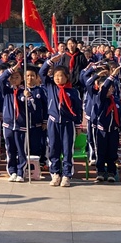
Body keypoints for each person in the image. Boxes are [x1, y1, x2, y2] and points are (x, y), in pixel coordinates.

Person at [40, 54, 83, 187]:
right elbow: (42, 73)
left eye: (61, 76)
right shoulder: (51, 87)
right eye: (56, 76)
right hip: (53, 122)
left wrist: (78, 124)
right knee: (53, 149)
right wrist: (50, 62)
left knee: (67, 150)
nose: (58, 78)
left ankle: (66, 175)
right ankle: (55, 174)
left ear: (67, 77)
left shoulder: (73, 92)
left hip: (67, 124)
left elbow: (77, 109)